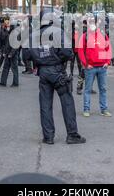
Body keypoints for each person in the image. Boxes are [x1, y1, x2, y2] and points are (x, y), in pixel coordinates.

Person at [22, 13, 86, 145]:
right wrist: (57, 59)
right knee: (67, 101)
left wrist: (39, 59)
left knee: (45, 105)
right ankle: (72, 134)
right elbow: (68, 52)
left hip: (43, 72)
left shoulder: (33, 35)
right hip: (57, 70)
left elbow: (26, 56)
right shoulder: (58, 32)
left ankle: (48, 136)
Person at [78, 16, 113, 117]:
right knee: (87, 89)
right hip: (90, 67)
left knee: (103, 89)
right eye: (91, 22)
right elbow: (80, 51)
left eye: (94, 22)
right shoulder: (85, 36)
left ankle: (104, 109)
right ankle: (86, 109)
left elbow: (108, 48)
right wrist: (86, 64)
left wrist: (107, 62)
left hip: (102, 67)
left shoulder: (103, 35)